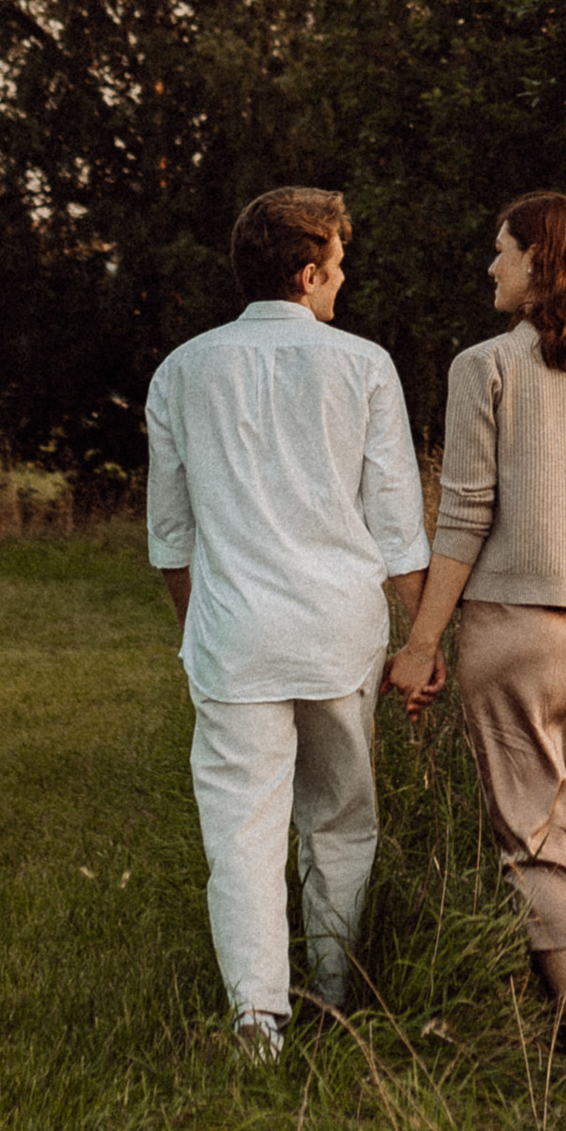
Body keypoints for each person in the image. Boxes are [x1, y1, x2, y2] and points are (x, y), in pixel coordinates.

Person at [145, 186, 429, 1063]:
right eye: (338, 268)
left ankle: (259, 1021)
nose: (342, 284)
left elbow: (170, 538)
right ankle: (333, 992)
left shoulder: (183, 370)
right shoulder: (363, 366)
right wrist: (423, 643)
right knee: (341, 818)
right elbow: (397, 524)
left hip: (235, 638)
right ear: (308, 275)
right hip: (340, 632)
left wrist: (200, 634)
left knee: (242, 831)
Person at [385, 190, 566, 1065]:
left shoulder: (484, 367)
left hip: (512, 634)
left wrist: (422, 642)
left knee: (540, 847)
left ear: (541, 264)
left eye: (503, 251)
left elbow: (465, 516)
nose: (492, 266)